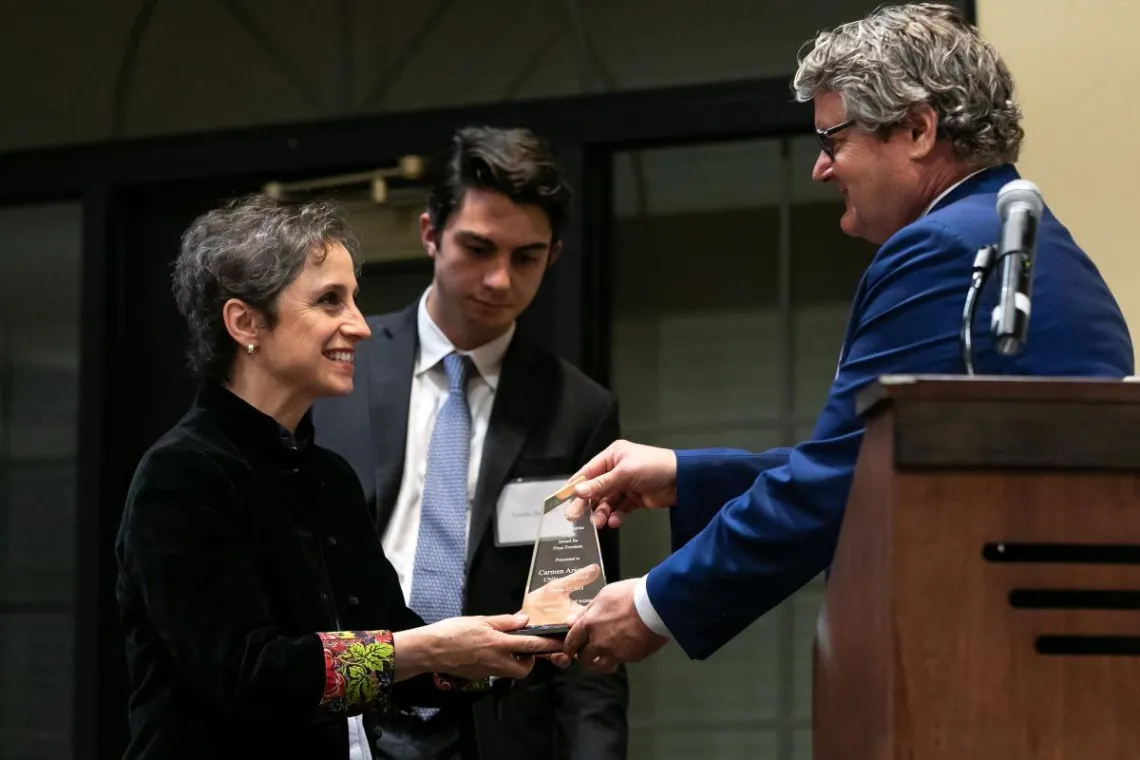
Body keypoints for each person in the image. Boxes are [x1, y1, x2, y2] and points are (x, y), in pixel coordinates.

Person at [557, 2, 1135, 673]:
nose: (821, 169)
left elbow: (845, 479)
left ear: (917, 129)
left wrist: (655, 603)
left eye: (833, 141)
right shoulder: (1021, 244)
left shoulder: (943, 249)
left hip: (976, 670)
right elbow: (891, 471)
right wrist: (690, 476)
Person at [113, 195, 564, 760]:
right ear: (244, 322)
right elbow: (249, 675)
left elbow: (394, 651)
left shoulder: (328, 476)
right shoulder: (182, 475)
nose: (360, 325)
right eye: (330, 301)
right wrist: (421, 649)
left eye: (353, 299)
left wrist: (522, 641)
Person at [312, 126, 628, 760]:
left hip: (495, 728)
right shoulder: (338, 365)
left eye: (526, 257)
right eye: (478, 249)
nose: (498, 280)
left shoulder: (575, 410)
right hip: (345, 715)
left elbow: (583, 626)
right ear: (430, 232)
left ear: (553, 255)